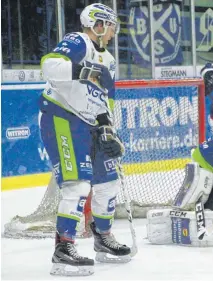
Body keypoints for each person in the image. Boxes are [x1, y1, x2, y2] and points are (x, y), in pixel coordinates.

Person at [39, 3, 130, 276]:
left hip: (91, 124)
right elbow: (49, 65)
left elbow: (106, 100)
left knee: (107, 183)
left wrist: (106, 127)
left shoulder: (110, 61)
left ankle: (103, 237)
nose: (114, 31)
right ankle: (64, 247)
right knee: (78, 185)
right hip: (62, 117)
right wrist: (84, 72)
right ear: (98, 25)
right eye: (111, 26)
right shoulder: (78, 41)